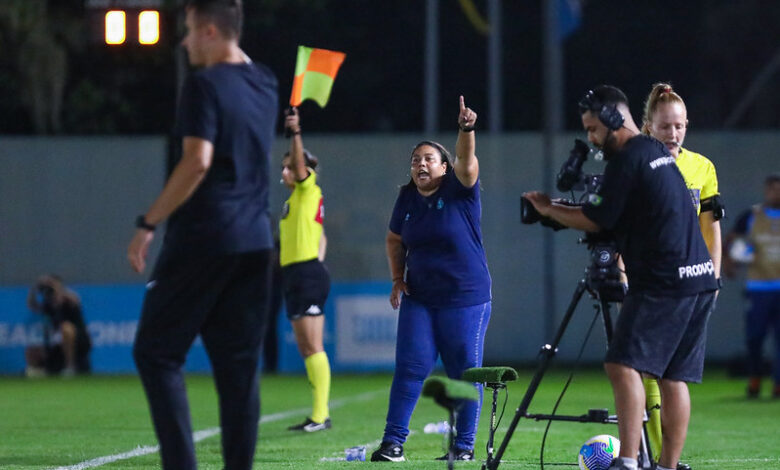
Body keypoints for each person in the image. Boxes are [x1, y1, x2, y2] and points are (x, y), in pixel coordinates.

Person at [523, 85, 717, 470]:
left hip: (666, 281)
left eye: (593, 129)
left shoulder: (629, 157)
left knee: (621, 364)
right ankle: (667, 467)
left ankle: (627, 462)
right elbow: (619, 216)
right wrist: (563, 210)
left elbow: (597, 218)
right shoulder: (654, 153)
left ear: (614, 119)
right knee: (673, 377)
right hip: (699, 278)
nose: (592, 139)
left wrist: (547, 207)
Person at [126, 1, 277, 469]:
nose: (185, 41)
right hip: (256, 241)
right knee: (238, 372)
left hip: (207, 237)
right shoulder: (266, 82)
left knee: (156, 353)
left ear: (211, 31)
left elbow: (198, 161)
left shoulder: (204, 84)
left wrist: (148, 222)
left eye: (190, 30)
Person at [370, 96, 492, 462]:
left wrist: (466, 129)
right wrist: (396, 277)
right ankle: (393, 444)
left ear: (444, 166)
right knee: (410, 368)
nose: (420, 164)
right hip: (420, 297)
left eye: (428, 159)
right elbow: (394, 239)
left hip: (465, 298)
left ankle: (463, 448)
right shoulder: (407, 198)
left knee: (465, 374)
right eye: (415, 160)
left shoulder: (460, 190)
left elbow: (468, 162)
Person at [640, 82, 725, 468]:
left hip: (690, 282)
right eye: (665, 127)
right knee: (642, 373)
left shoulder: (702, 167)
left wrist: (715, 275)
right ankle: (654, 457)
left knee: (672, 376)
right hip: (649, 279)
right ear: (647, 128)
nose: (673, 134)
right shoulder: (638, 165)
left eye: (679, 126)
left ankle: (665, 460)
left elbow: (711, 229)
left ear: (687, 125)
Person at [279, 107, 333, 432]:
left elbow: (299, 166)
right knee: (305, 348)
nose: (286, 171)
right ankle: (317, 414)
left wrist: (296, 132)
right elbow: (321, 234)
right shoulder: (296, 202)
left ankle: (320, 415)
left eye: (290, 166)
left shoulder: (308, 187)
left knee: (313, 346)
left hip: (306, 273)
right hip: (298, 274)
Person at [723, 173, 780, 399]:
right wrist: (729, 262)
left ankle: (778, 385)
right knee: (755, 337)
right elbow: (731, 240)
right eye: (773, 189)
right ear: (766, 191)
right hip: (759, 288)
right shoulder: (752, 216)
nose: (776, 193)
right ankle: (754, 379)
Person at [25, 274, 91, 377]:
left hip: (78, 339)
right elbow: (32, 305)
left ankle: (70, 367)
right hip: (56, 340)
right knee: (33, 344)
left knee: (66, 328)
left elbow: (74, 301)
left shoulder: (69, 298)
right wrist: (35, 287)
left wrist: (57, 289)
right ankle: (37, 369)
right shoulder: (48, 303)